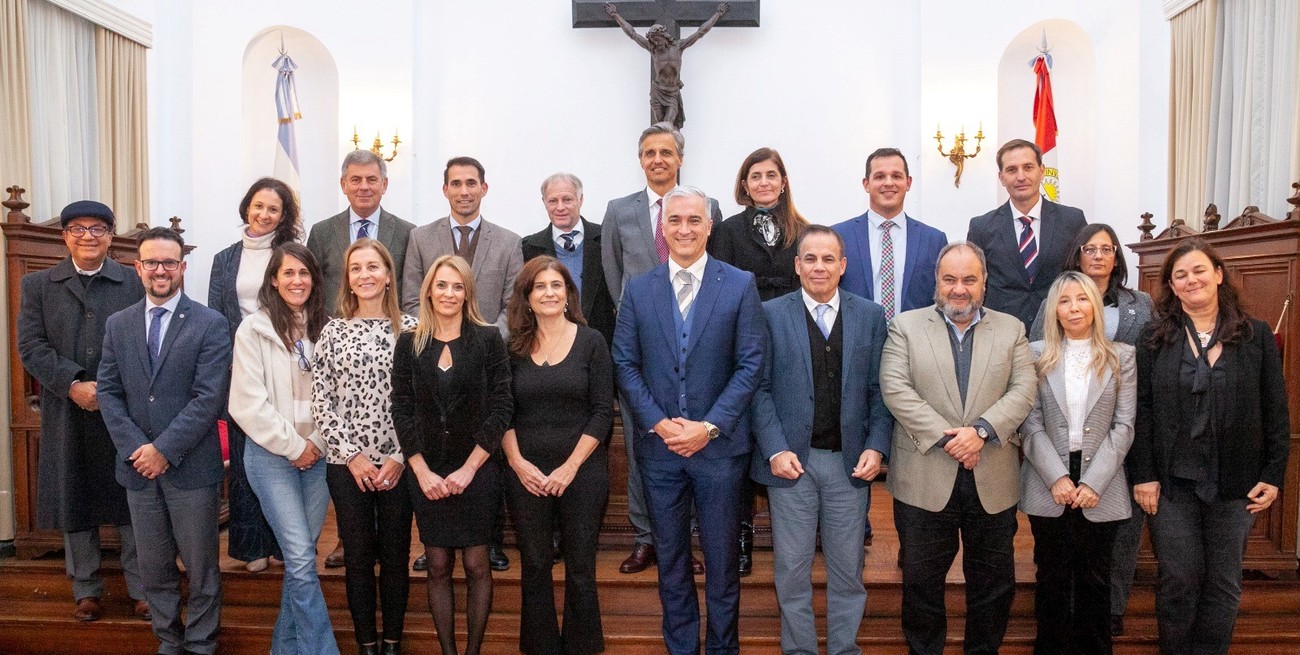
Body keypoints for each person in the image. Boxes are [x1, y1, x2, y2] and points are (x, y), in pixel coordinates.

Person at [612, 185, 764, 655]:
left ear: (709, 225)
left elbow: (751, 363)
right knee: (672, 562)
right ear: (663, 226)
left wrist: (709, 425)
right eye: (675, 220)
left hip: (719, 451)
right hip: (659, 453)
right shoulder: (639, 289)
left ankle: (722, 649)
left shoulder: (740, 284)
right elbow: (625, 362)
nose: (684, 229)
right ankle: (680, 647)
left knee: (721, 566)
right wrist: (660, 423)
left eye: (694, 220)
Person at [1129, 239, 1290, 655]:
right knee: (1179, 577)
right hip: (1172, 482)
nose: (1191, 279)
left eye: (1199, 270)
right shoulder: (1154, 338)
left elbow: (1276, 408)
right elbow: (1141, 411)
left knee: (1223, 581)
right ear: (1171, 286)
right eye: (1180, 275)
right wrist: (1143, 474)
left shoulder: (1255, 336)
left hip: (1235, 483)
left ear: (1218, 275)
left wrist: (1273, 475)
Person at [880, 242, 1036, 655]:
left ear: (984, 282)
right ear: (937, 282)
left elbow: (1024, 390)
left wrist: (981, 431)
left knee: (993, 586)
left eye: (969, 279)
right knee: (921, 586)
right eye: (950, 279)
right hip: (924, 477)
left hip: (992, 476)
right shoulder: (905, 326)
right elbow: (896, 389)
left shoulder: (1012, 329)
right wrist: (953, 438)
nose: (959, 289)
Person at [750, 225, 891, 655]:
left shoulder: (870, 315)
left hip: (849, 463)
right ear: (797, 266)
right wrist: (775, 448)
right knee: (791, 571)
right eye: (810, 258)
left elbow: (880, 390)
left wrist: (877, 445)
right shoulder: (770, 314)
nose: (819, 267)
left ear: (843, 266)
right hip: (791, 462)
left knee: (847, 570)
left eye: (829, 259)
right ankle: (800, 650)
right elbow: (758, 388)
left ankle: (844, 648)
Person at [97, 227, 230, 655]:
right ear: (138, 268)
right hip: (138, 469)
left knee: (201, 568)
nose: (160, 270)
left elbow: (209, 398)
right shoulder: (118, 325)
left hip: (191, 469)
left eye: (169, 263)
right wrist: (140, 451)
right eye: (151, 262)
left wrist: (164, 450)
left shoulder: (211, 323)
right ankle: (168, 641)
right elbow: (109, 392)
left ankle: (202, 643)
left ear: (182, 268)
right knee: (153, 569)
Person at [17, 200, 148, 622]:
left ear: (111, 235)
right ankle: (86, 588)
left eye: (98, 228)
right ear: (64, 236)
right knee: (74, 499)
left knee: (132, 499)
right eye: (78, 228)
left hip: (124, 411)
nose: (88, 236)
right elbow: (31, 346)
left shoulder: (134, 281)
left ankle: (144, 588)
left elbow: (146, 341)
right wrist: (72, 384)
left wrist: (108, 390)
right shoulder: (38, 285)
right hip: (68, 411)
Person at [601, 121, 722, 575]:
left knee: (692, 445)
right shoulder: (618, 210)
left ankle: (685, 539)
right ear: (640, 159)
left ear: (679, 158)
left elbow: (715, 275)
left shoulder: (706, 207)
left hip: (696, 352)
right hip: (642, 352)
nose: (658, 159)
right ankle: (644, 538)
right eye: (649, 152)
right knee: (640, 447)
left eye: (666, 152)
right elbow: (616, 281)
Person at [1025, 223, 1154, 637]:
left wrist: (1094, 481)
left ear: (1096, 308)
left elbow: (1125, 425)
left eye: (1083, 299)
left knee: (1097, 581)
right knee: (1052, 579)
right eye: (1065, 300)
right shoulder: (1034, 355)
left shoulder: (1121, 356)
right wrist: (1057, 477)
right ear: (1054, 309)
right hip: (1050, 480)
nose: (1075, 307)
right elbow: (1030, 425)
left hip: (1104, 479)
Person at [400, 157, 521, 570]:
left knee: (485, 440)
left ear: (484, 188)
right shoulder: (420, 237)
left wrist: (481, 344)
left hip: (487, 357)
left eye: (472, 183)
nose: (464, 190)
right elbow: (412, 299)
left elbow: (512, 305)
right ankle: (433, 539)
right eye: (456, 183)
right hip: (431, 353)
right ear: (445, 189)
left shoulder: (508, 241)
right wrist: (436, 338)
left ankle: (488, 540)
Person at [392, 255, 512, 655]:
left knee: (478, 564)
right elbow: (402, 409)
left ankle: (473, 651)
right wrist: (421, 470)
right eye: (441, 285)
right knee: (438, 565)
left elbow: (501, 407)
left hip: (476, 469)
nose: (449, 293)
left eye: (457, 286)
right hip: (426, 470)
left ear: (468, 293)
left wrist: (470, 468)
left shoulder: (488, 339)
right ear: (428, 290)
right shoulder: (409, 343)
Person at [228, 243, 339, 655]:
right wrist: (294, 446)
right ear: (273, 279)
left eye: (304, 273)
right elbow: (245, 404)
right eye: (288, 273)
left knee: (301, 561)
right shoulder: (253, 329)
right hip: (271, 456)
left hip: (319, 455)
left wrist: (317, 444)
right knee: (298, 555)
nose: (297, 281)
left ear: (315, 279)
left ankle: (284, 649)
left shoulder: (330, 329)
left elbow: (341, 399)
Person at [502, 256, 613, 655]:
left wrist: (569, 467)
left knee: (581, 567)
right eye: (540, 287)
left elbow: (602, 412)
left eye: (556, 286)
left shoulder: (592, 342)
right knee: (534, 565)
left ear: (568, 294)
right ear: (527, 298)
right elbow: (502, 413)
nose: (549, 293)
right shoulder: (511, 347)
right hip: (524, 472)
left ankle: (582, 648)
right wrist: (518, 464)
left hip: (581, 472)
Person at [310, 239, 416, 655]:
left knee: (394, 556)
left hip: (399, 464)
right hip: (346, 464)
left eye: (374, 267)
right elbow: (322, 401)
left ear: (389, 274)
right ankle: (366, 644)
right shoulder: (332, 332)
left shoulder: (412, 330)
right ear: (348, 279)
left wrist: (399, 456)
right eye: (356, 268)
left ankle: (392, 643)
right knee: (357, 558)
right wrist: (352, 456)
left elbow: (419, 400)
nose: (365, 275)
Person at [707, 146, 808, 575]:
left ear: (783, 181)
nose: (763, 182)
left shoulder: (804, 230)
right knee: (744, 435)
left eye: (771, 175)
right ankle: (742, 534)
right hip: (743, 339)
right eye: (755, 176)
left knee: (786, 423)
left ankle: (806, 527)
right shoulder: (726, 231)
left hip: (790, 338)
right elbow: (718, 288)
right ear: (744, 185)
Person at [209, 177, 296, 573]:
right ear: (247, 206)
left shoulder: (291, 253)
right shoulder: (225, 258)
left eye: (273, 209)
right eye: (258, 206)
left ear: (283, 216)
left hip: (283, 362)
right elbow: (216, 314)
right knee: (245, 457)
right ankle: (250, 545)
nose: (264, 214)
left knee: (279, 448)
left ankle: (284, 542)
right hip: (239, 364)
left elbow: (300, 305)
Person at [967, 138, 1087, 331]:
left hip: (1059, 330)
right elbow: (974, 282)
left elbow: (1084, 278)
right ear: (1001, 177)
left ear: (1042, 170)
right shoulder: (981, 227)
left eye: (1028, 167)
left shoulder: (1072, 220)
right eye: (1012, 170)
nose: (1020, 177)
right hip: (1000, 334)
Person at [834, 147, 948, 321]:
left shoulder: (934, 240)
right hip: (856, 342)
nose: (888, 183)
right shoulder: (839, 236)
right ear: (866, 184)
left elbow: (942, 296)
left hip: (914, 343)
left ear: (908, 183)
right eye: (880, 176)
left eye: (896, 176)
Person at [307, 149, 416, 316]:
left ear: (384, 185)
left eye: (371, 180)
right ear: (344, 185)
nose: (364, 187)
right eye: (356, 180)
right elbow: (313, 288)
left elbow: (412, 290)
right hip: (336, 330)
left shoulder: (407, 233)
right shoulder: (321, 233)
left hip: (392, 331)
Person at [520, 172, 616, 345]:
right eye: (552, 201)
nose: (560, 207)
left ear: (581, 199)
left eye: (567, 199)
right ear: (544, 203)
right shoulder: (528, 248)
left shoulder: (606, 239)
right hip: (547, 346)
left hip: (602, 345)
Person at [603, 2, 730, 129]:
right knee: (660, 126)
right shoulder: (653, 50)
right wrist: (615, 15)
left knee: (668, 124)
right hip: (658, 91)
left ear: (664, 36)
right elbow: (633, 34)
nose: (655, 43)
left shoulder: (679, 46)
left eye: (657, 39)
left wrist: (718, 14)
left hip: (672, 92)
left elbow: (700, 32)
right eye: (653, 40)